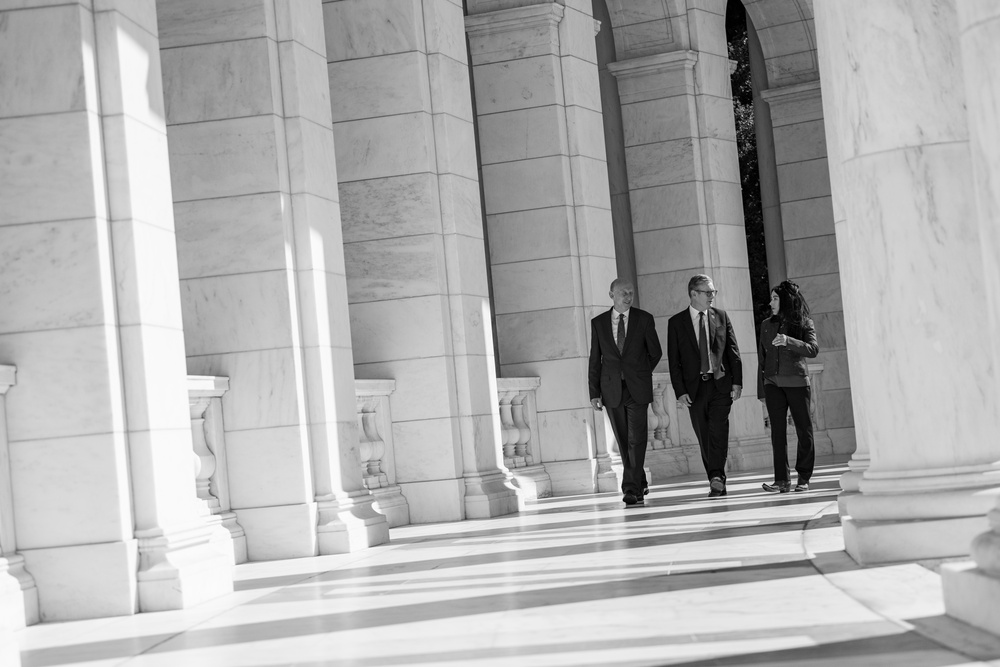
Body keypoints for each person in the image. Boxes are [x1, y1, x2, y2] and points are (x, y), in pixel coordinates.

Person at [667, 275, 743, 498]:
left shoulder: (721, 316)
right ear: (693, 294)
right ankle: (715, 477)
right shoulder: (676, 323)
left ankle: (716, 477)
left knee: (719, 431)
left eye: (713, 292)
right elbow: (675, 361)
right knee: (704, 434)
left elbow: (733, 351)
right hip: (694, 389)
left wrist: (737, 382)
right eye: (707, 292)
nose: (712, 296)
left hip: (720, 385)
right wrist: (679, 390)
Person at [589, 278, 663, 507]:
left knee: (637, 438)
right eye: (623, 293)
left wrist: (639, 374)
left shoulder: (644, 319)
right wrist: (594, 392)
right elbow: (595, 359)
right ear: (611, 294)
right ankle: (639, 480)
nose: (628, 297)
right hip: (611, 389)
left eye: (631, 293)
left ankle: (630, 488)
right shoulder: (599, 323)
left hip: (637, 389)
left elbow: (655, 352)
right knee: (623, 440)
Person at [758, 280, 819, 493]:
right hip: (772, 383)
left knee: (804, 430)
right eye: (772, 298)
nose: (771, 302)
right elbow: (762, 358)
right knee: (777, 432)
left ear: (785, 300)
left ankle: (803, 477)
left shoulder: (804, 323)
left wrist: (788, 341)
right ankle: (781, 480)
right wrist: (761, 389)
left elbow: (812, 349)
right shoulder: (766, 324)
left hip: (797, 383)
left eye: (775, 298)